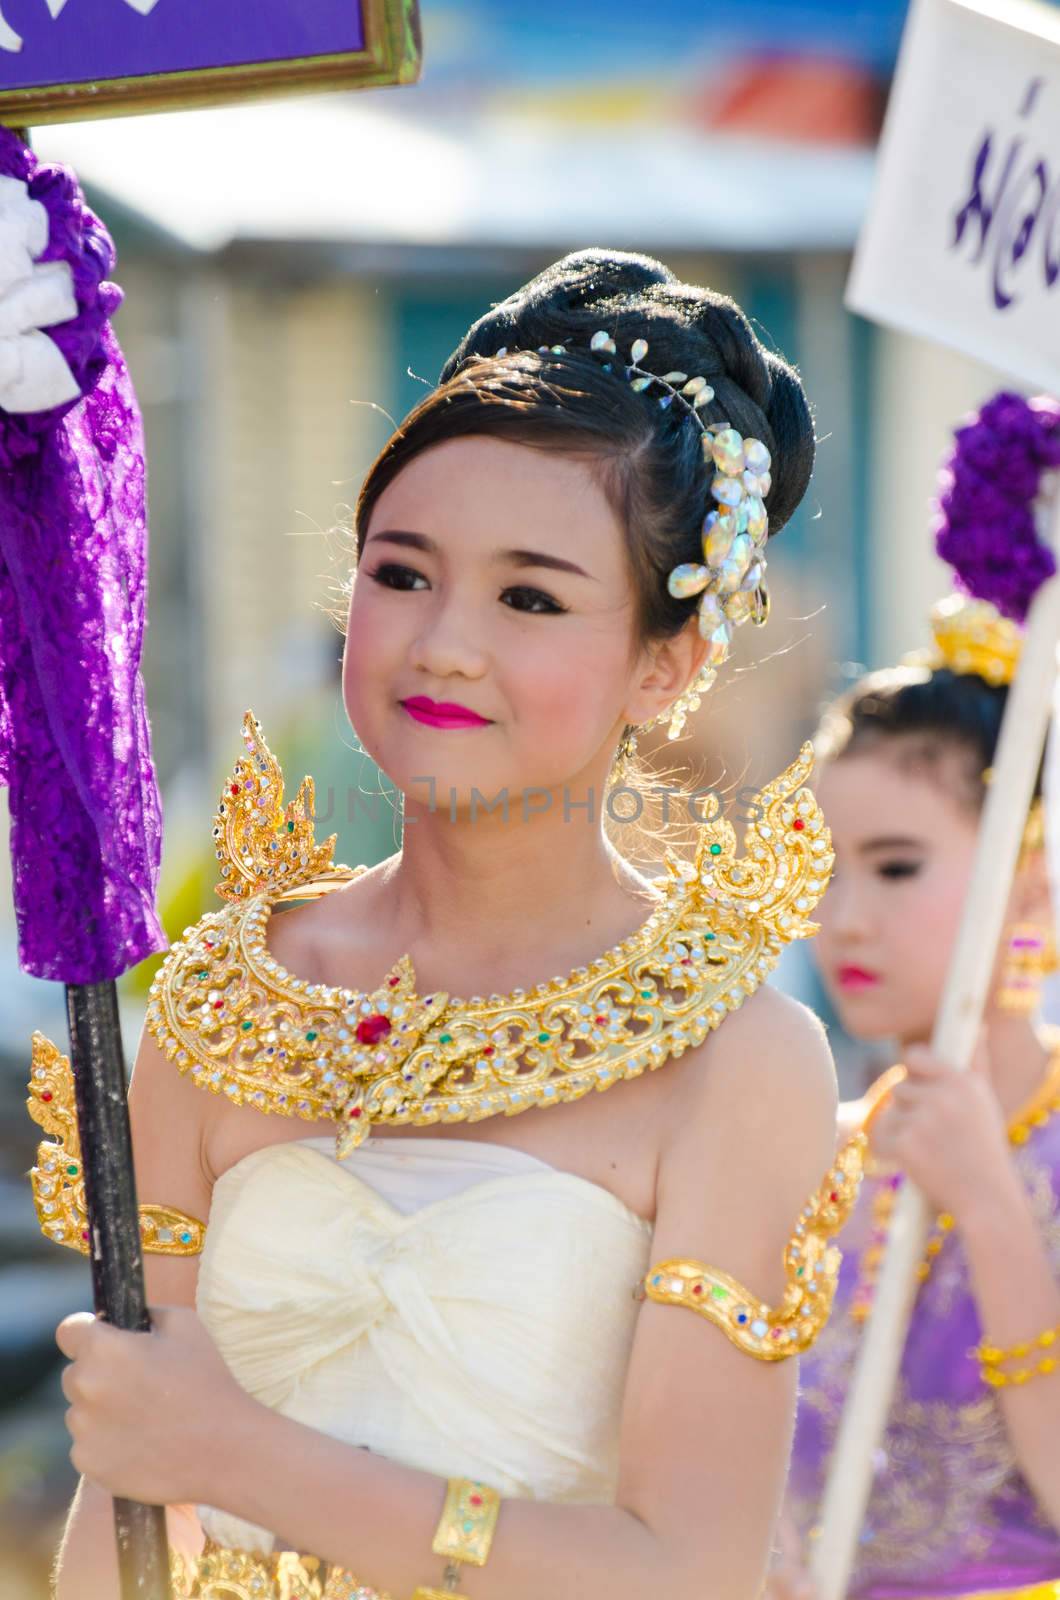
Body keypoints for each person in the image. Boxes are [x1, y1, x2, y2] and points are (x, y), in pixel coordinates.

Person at [30, 249, 856, 1600]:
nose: (444, 643)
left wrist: (239, 1456)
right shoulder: (219, 1004)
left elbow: (689, 1570)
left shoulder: (738, 1059)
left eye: (530, 596)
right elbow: (121, 1527)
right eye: (402, 575)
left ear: (668, 660)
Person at [770, 595, 1060, 1600]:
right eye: (820, 872)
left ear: (1029, 889)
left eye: (894, 866)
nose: (841, 919)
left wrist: (988, 1204)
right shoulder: (809, 1155)